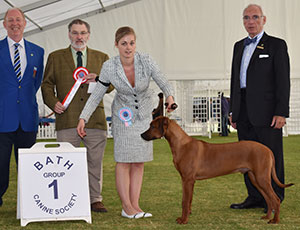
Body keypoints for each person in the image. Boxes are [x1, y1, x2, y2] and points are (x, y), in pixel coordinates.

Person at [77, 26, 176, 219]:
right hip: (123, 117)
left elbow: (163, 81)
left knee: (139, 162)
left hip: (145, 117)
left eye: (131, 43)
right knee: (123, 160)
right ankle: (126, 207)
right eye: (123, 44)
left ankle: (135, 205)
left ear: (135, 44)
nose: (128, 48)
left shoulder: (146, 60)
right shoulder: (109, 67)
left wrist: (170, 97)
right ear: (116, 45)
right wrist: (83, 117)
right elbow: (97, 94)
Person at [41, 19, 114, 213]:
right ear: (69, 34)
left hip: (94, 119)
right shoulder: (56, 57)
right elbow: (46, 84)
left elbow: (113, 84)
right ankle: (67, 198)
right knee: (65, 163)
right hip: (66, 118)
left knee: (94, 162)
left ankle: (94, 199)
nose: (79, 37)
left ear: (88, 35)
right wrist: (52, 101)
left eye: (82, 33)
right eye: (75, 33)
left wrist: (99, 78)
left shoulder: (102, 57)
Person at [229, 4, 290, 212]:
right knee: (246, 157)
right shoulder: (238, 46)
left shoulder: (276, 45)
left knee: (271, 156)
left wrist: (281, 111)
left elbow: (283, 81)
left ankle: (274, 198)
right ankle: (254, 197)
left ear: (264, 20)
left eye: (255, 17)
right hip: (243, 110)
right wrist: (233, 111)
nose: (251, 22)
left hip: (268, 113)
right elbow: (235, 81)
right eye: (246, 18)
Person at [0, 8, 44, 207]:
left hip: (27, 119)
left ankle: (29, 202)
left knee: (28, 166)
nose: (15, 23)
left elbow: (35, 83)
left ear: (25, 23)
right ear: (4, 24)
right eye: (10, 20)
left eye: (18, 20)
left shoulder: (38, 51)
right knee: (0, 166)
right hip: (2, 119)